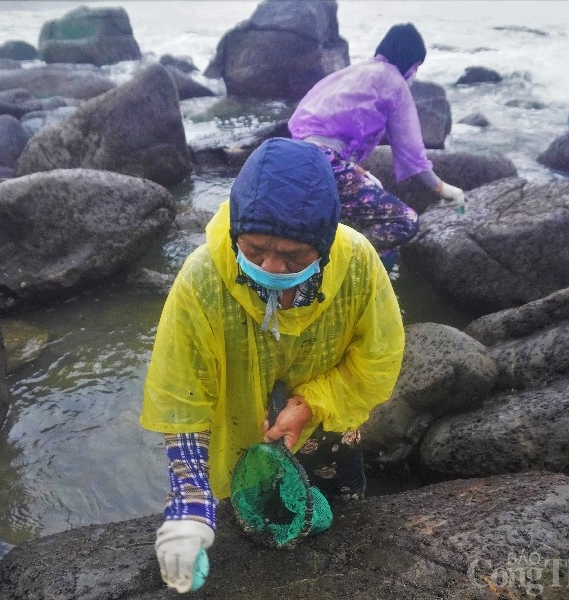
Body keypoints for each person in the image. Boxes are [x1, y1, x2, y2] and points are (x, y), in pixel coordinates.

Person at [141, 138, 405, 593]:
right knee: (253, 527)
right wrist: (188, 504)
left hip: (326, 423)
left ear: (323, 243)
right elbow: (183, 394)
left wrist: (309, 403)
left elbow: (377, 358)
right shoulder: (202, 280)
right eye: (256, 247)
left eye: (295, 256)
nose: (272, 266)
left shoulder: (358, 263)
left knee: (346, 525)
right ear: (235, 232)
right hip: (246, 433)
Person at [288, 22, 466, 270]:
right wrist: (442, 188)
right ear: (410, 62)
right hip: (326, 165)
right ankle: (335, 263)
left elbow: (316, 129)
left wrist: (358, 171)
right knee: (406, 221)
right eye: (416, 67)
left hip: (296, 157)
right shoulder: (394, 83)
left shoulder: (354, 71)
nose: (414, 73)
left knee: (358, 202)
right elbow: (412, 155)